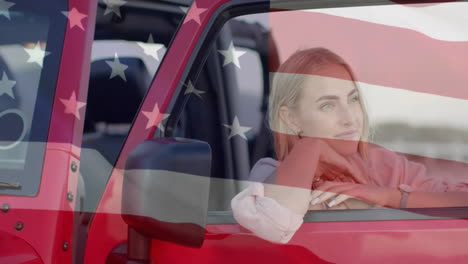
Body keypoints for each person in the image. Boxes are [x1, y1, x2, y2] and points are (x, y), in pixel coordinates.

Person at [231, 47, 468, 244]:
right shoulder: (271, 173)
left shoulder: (385, 164)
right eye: (328, 105)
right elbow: (273, 223)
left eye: (353, 99)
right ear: (291, 118)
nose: (350, 117)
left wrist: (391, 197)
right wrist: (311, 147)